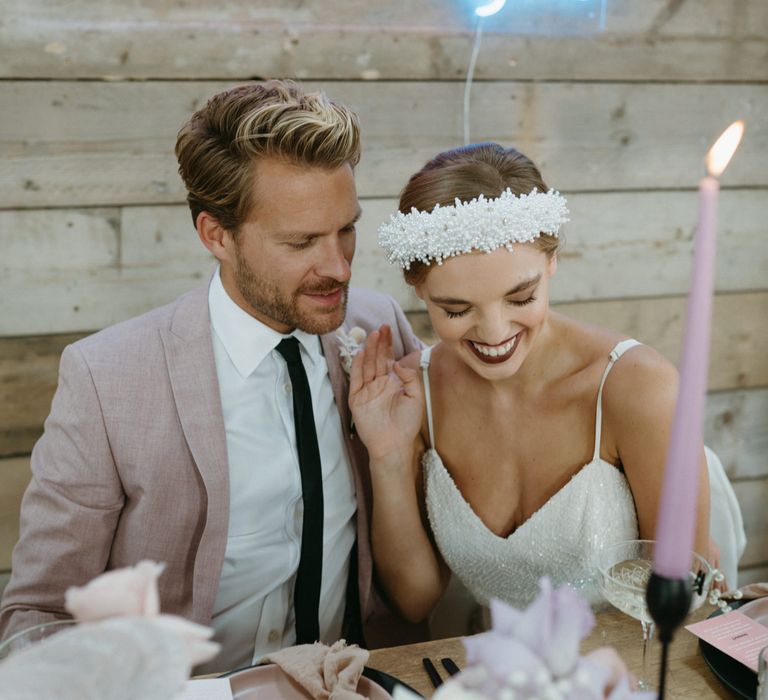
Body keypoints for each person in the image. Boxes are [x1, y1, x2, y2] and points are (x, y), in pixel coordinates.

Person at [0, 79, 426, 671]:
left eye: (346, 230)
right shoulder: (106, 379)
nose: (337, 266)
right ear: (216, 235)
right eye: (301, 241)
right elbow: (39, 615)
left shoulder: (377, 326)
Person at [348, 142, 740, 623]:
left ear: (552, 260)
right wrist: (387, 456)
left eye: (521, 297)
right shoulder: (413, 394)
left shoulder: (635, 387)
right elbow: (415, 601)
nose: (494, 334)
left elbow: (680, 606)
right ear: (419, 289)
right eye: (456, 309)